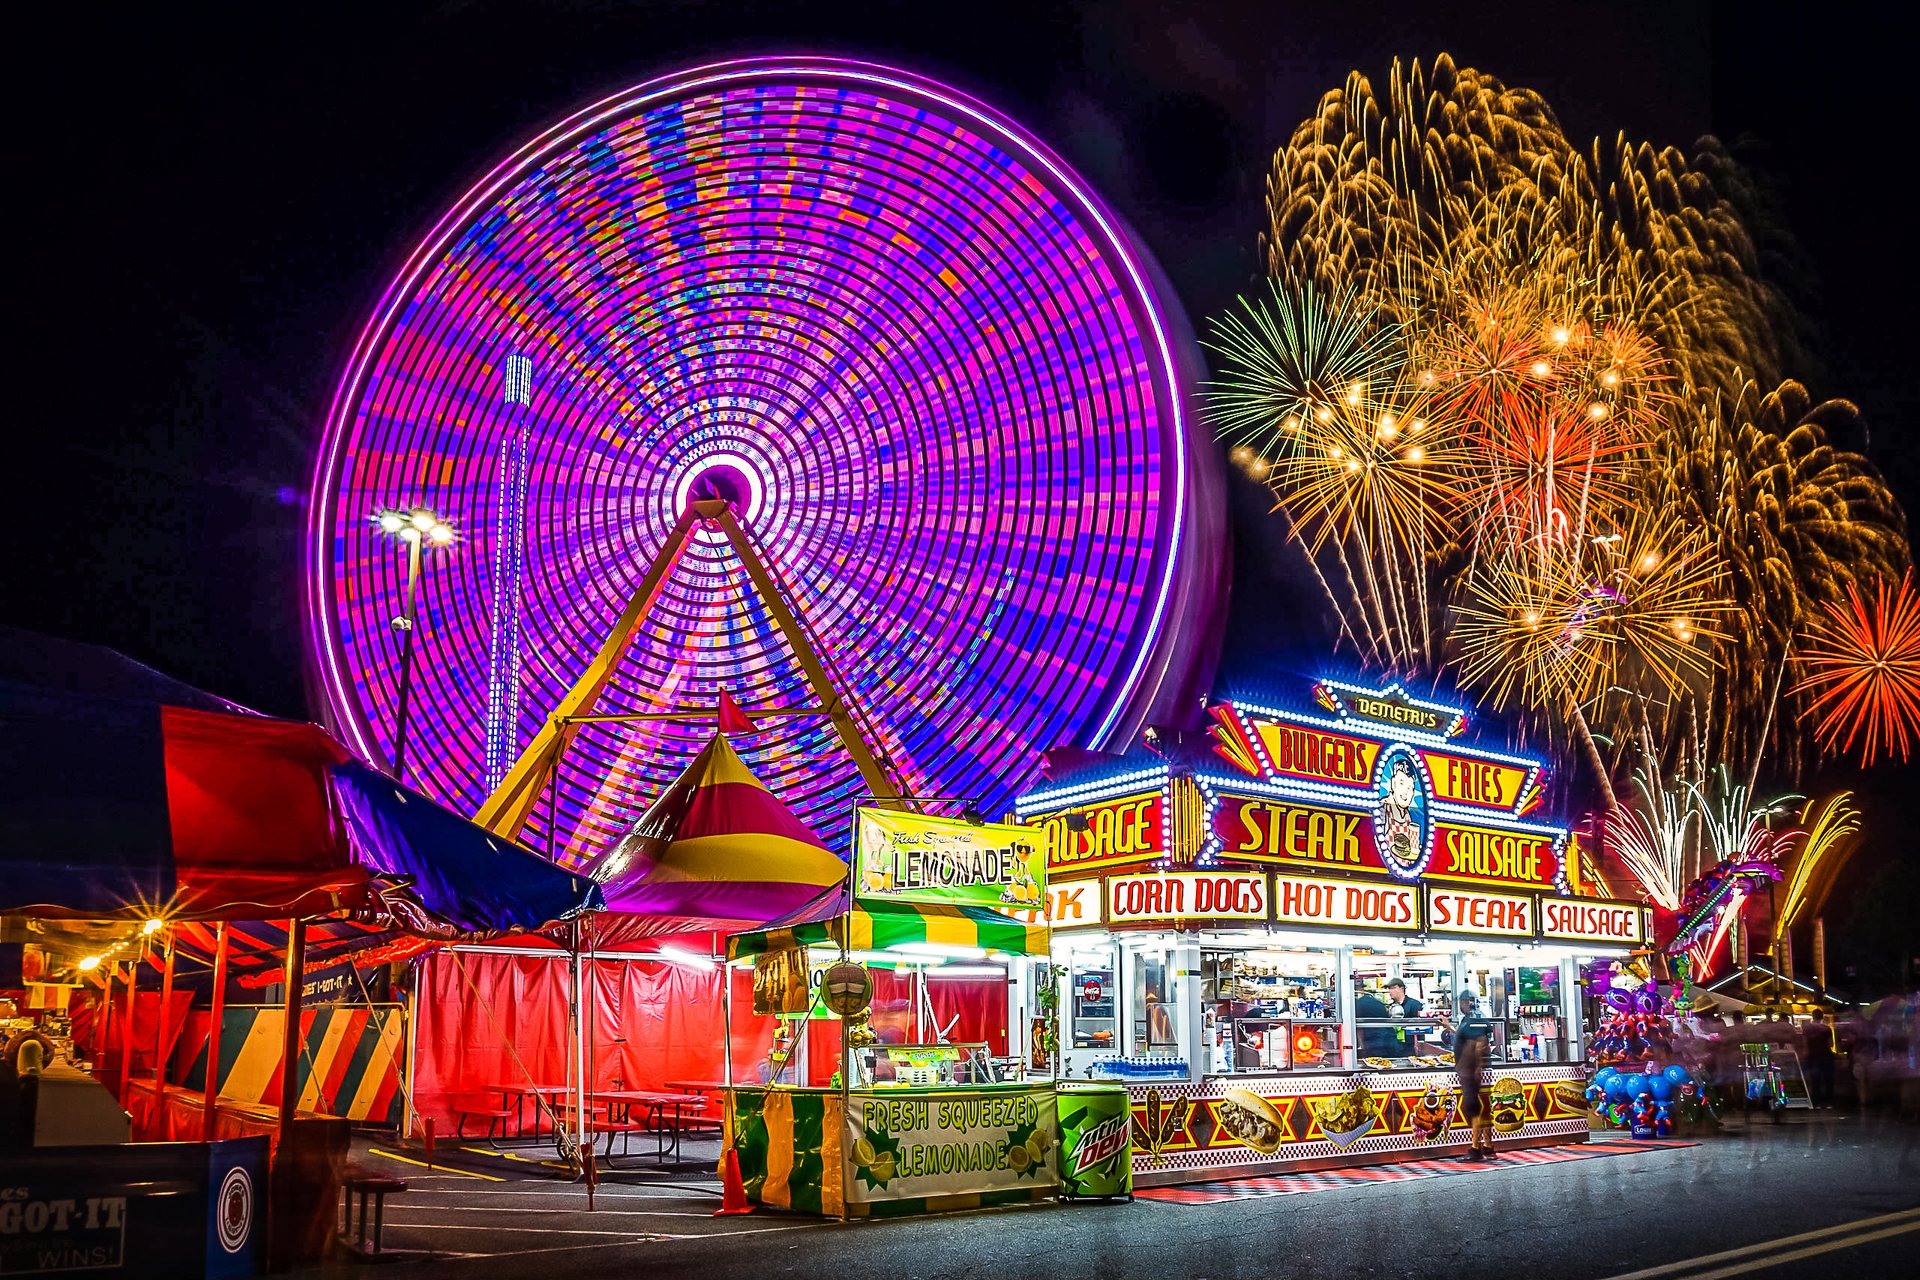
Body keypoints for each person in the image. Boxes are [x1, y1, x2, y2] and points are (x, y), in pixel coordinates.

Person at [1452, 991, 1496, 1160]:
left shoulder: (1475, 1018)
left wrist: (1476, 1067)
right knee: (1480, 1106)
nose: (1461, 1005)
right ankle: (1487, 1145)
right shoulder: (1471, 1018)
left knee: (1473, 1107)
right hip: (1469, 1069)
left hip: (1471, 1070)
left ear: (1467, 1002)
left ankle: (1475, 1149)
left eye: (1462, 1001)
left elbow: (1480, 1044)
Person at [1803, 1010, 1837, 1108]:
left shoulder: (1807, 1028)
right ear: (1822, 1017)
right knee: (1828, 1080)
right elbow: (1831, 1044)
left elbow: (1804, 1043)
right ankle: (1829, 1102)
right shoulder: (1827, 1028)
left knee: (1815, 1080)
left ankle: (1816, 1103)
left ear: (1812, 1017)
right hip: (1826, 1055)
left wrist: (1806, 1053)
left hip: (1813, 1056)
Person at [1386, 979, 1427, 1055]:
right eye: (1389, 989)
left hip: (1411, 1047)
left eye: (1393, 988)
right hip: (1394, 1046)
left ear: (1402, 989)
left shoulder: (1414, 1005)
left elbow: (1421, 1027)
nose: (1390, 991)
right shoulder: (1391, 1007)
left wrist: (1420, 1047)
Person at [1355, 985, 1393, 1057]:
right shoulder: (1379, 1003)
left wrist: (1362, 1045)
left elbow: (1359, 1028)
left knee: (1376, 1061)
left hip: (1371, 1041)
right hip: (1387, 1039)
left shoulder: (1357, 1004)